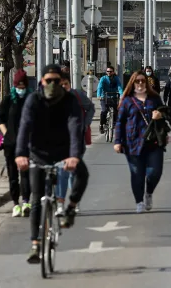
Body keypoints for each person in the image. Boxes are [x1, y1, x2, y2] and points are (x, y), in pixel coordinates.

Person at [15, 64, 89, 264]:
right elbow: (25, 126)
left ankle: (71, 207)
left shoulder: (70, 100)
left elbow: (75, 126)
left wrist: (74, 156)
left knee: (83, 174)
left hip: (64, 151)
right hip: (38, 153)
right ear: (42, 82)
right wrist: (20, 155)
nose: (53, 85)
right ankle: (35, 245)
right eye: (49, 81)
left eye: (57, 81)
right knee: (37, 197)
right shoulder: (33, 100)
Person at [114, 71, 166, 213]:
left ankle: (148, 192)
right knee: (137, 174)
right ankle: (139, 202)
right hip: (132, 143)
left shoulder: (154, 98)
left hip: (154, 142)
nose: (141, 83)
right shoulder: (127, 101)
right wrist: (117, 141)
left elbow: (166, 114)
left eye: (143, 81)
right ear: (133, 83)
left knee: (155, 172)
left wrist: (160, 115)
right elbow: (120, 122)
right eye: (138, 81)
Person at [56, 73, 95, 215]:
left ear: (69, 84)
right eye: (60, 84)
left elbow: (91, 107)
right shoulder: (52, 99)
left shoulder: (77, 96)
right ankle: (60, 204)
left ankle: (74, 202)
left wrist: (85, 124)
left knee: (73, 173)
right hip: (59, 143)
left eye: (65, 84)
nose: (63, 87)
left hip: (77, 141)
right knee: (61, 173)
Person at [0, 69, 32, 218]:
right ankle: (15, 204)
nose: (21, 90)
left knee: (26, 173)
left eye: (23, 87)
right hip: (10, 143)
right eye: (19, 87)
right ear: (14, 85)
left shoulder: (32, 99)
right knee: (12, 174)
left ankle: (26, 201)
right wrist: (6, 134)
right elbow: (0, 119)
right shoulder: (8, 100)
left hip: (27, 143)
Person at [97, 65, 123, 134]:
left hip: (114, 96)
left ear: (113, 72)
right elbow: (100, 87)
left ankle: (114, 123)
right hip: (104, 96)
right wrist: (99, 95)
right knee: (104, 111)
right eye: (107, 71)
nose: (109, 73)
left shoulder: (116, 78)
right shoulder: (103, 78)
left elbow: (119, 86)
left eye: (110, 71)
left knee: (116, 110)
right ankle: (102, 125)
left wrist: (121, 95)